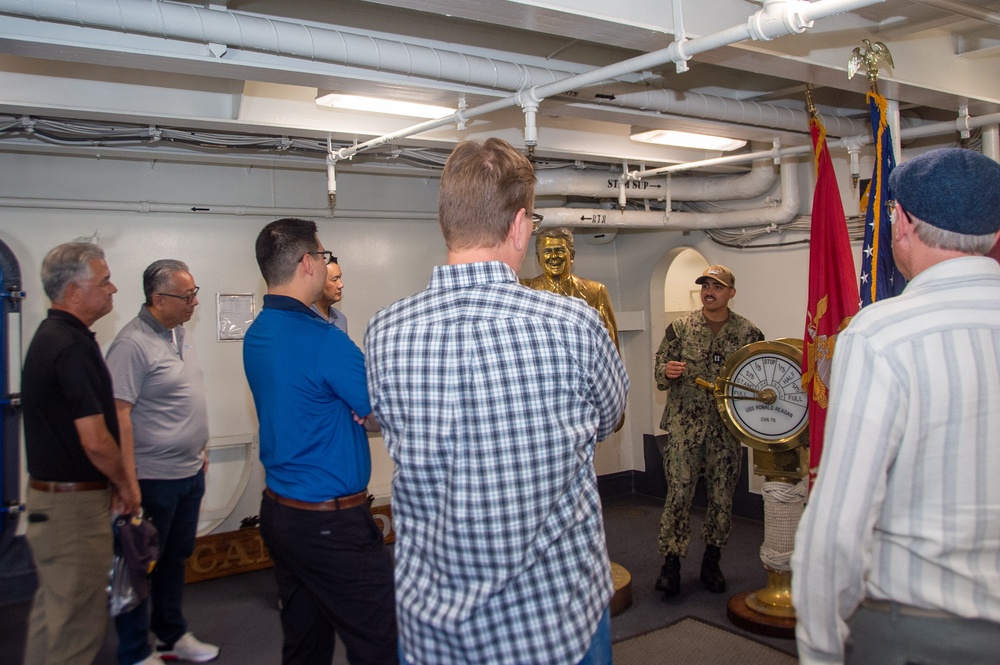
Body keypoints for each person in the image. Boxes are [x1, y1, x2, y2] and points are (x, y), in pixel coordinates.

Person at [365, 138, 629, 665]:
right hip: (558, 625)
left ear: (447, 223)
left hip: (434, 629)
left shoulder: (384, 332)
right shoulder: (574, 325)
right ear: (520, 225)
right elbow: (611, 419)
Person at [792, 148, 1000, 665]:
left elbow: (839, 524)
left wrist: (821, 649)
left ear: (901, 222)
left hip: (920, 634)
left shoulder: (882, 334)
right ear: (995, 234)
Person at [243, 218, 397, 665]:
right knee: (383, 642)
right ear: (308, 263)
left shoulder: (258, 332)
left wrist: (359, 407)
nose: (329, 264)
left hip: (281, 513)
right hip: (331, 526)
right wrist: (366, 409)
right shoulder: (326, 341)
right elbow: (381, 412)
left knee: (306, 643)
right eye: (326, 256)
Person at [22, 242, 141, 665]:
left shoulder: (50, 335)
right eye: (104, 281)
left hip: (51, 504)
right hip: (73, 512)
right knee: (77, 627)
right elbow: (94, 438)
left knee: (52, 618)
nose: (112, 288)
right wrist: (126, 485)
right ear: (74, 291)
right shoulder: (70, 346)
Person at [105, 259, 219, 665]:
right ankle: (136, 652)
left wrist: (198, 449)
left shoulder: (179, 333)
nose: (194, 301)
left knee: (174, 558)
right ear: (158, 299)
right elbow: (118, 415)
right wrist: (126, 482)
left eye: (194, 292)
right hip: (150, 478)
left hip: (188, 472)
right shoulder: (131, 344)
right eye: (187, 295)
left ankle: (172, 636)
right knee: (139, 564)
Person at [653, 265, 763, 596]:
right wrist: (668, 371)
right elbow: (660, 371)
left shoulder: (749, 334)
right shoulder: (680, 329)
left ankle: (711, 562)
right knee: (679, 495)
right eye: (705, 286)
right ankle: (671, 563)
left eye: (717, 286)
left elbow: (759, 378)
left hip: (726, 431)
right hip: (685, 427)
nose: (709, 291)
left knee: (721, 499)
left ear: (731, 292)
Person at [521, 226, 619, 349]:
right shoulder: (525, 291)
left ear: (571, 255)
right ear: (538, 258)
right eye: (547, 251)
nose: (553, 256)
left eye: (560, 250)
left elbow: (610, 345)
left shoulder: (596, 292)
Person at [311, 257, 348, 333]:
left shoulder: (341, 319)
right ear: (318, 282)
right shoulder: (302, 318)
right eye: (334, 280)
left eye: (340, 278)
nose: (341, 285)